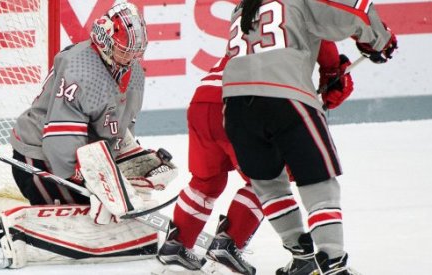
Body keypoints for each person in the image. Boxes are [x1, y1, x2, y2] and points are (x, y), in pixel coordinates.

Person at [0, 1, 177, 269]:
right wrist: (91, 183)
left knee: (106, 207)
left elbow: (118, 130)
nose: (131, 59)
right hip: (39, 154)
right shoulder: (82, 68)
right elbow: (59, 140)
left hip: (83, 155)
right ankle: (2, 235)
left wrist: (138, 160)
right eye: (125, 51)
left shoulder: (132, 73)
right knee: (82, 214)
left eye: (135, 52)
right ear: (104, 40)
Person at [222, 1, 397, 275]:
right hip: (285, 96)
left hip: (234, 105)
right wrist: (379, 39)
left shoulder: (242, 7)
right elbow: (354, 13)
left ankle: (300, 253)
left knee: (268, 184)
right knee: (318, 180)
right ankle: (333, 260)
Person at [155, 37, 355, 274]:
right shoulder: (298, 17)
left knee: (206, 180)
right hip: (240, 102)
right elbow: (328, 59)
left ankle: (176, 245)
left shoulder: (254, 21)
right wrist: (334, 74)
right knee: (265, 178)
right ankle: (227, 243)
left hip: (202, 100)